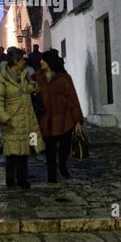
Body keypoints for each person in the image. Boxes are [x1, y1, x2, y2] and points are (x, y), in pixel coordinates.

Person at [0, 46, 45, 189]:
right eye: (22, 60)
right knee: (12, 153)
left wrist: (33, 87)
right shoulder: (1, 79)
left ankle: (22, 179)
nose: (25, 62)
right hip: (12, 119)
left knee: (24, 151)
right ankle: (11, 180)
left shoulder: (24, 74)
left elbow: (29, 87)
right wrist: (4, 117)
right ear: (15, 61)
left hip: (26, 116)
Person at [33, 50, 83, 183]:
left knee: (64, 147)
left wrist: (77, 120)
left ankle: (62, 164)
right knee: (49, 150)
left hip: (64, 119)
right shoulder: (36, 77)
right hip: (46, 120)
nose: (40, 62)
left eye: (43, 60)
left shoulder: (64, 78)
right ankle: (52, 175)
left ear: (50, 62)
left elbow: (72, 98)